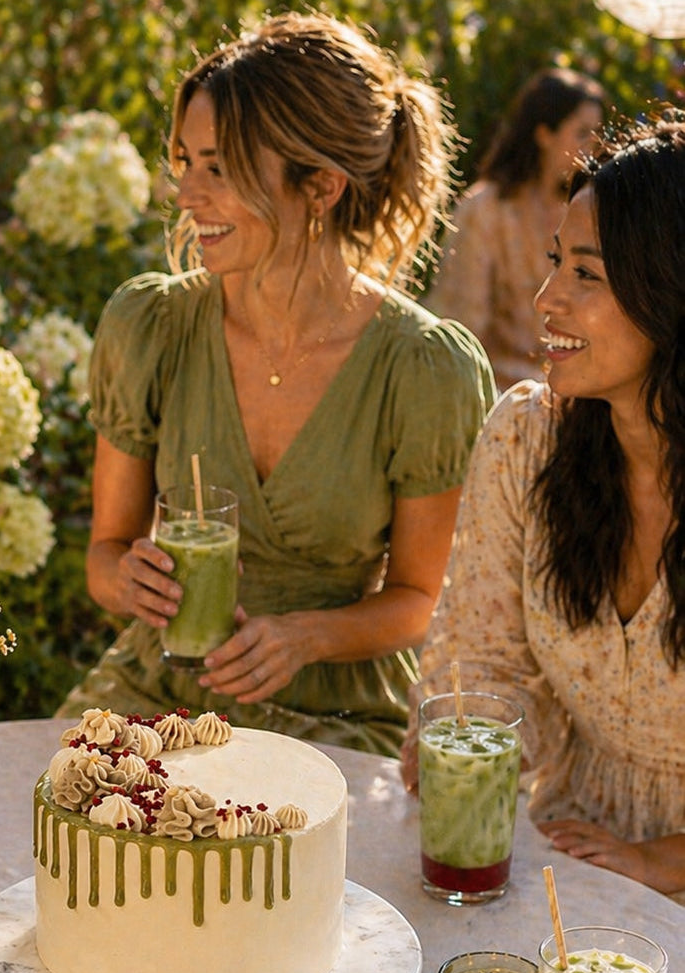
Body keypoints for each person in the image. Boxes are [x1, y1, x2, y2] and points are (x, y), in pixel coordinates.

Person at [56, 12, 495, 757]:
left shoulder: (422, 369)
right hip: (154, 697)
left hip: (338, 721)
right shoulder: (152, 326)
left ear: (319, 186)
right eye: (184, 161)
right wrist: (126, 580)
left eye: (218, 169)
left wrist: (302, 637)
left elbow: (422, 599)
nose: (187, 194)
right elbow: (105, 552)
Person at [403, 116, 685, 899]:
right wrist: (458, 736)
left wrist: (662, 861)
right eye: (555, 262)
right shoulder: (527, 438)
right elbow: (481, 660)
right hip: (557, 848)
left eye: (585, 275)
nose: (544, 298)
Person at [425, 68, 606, 391]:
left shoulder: (585, 213)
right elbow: (462, 328)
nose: (593, 146)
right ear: (543, 134)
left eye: (597, 133)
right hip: (491, 387)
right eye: (581, 133)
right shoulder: (485, 209)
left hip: (575, 390)